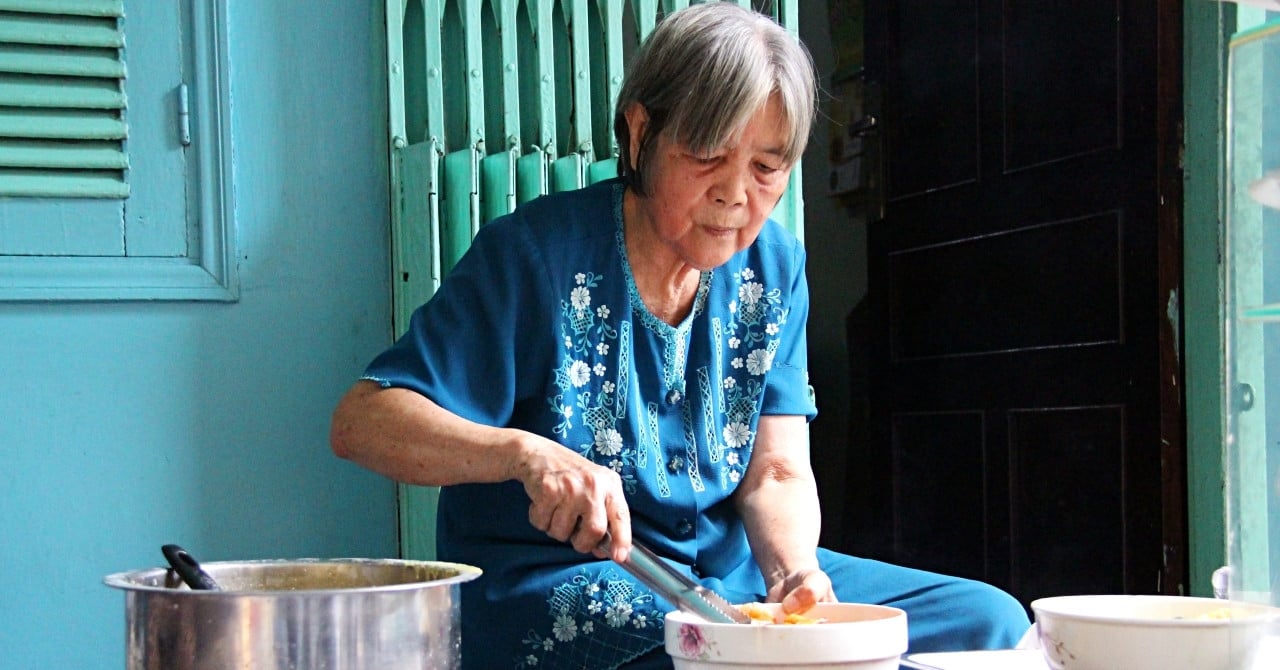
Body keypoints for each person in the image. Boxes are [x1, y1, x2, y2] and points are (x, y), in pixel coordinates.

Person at [330, 3, 1030, 668]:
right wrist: (525, 454)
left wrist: (794, 577)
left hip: (729, 581)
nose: (735, 194)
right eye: (708, 155)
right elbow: (364, 421)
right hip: (567, 583)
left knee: (987, 623)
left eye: (766, 167)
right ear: (641, 134)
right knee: (713, 655)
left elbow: (777, 471)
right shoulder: (533, 257)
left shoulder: (774, 268)